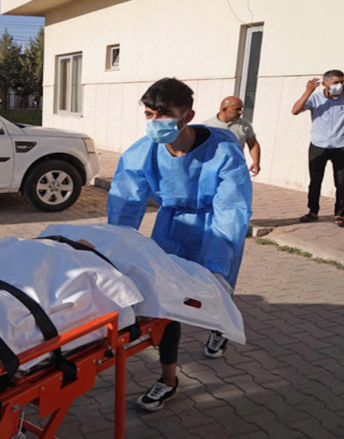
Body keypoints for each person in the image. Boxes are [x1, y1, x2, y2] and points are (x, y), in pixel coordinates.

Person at [107, 78, 252, 411]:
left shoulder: (224, 153)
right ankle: (168, 379)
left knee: (215, 289)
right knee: (168, 302)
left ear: (188, 115)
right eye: (149, 114)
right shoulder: (141, 153)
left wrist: (217, 268)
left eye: (165, 114)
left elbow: (231, 210)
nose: (156, 123)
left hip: (213, 227)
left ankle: (219, 325)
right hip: (171, 227)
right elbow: (124, 206)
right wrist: (116, 253)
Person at [291, 69, 344, 227]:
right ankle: (313, 211)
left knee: (341, 182)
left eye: (341, 82)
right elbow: (295, 111)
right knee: (315, 181)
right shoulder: (315, 99)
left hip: (341, 146)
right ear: (325, 84)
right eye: (335, 82)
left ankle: (340, 214)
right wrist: (307, 92)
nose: (339, 85)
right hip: (318, 145)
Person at [203, 96, 262, 176]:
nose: (241, 112)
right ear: (224, 109)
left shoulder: (245, 125)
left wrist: (256, 162)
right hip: (212, 171)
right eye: (237, 109)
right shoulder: (207, 126)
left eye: (241, 109)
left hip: (235, 170)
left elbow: (253, 144)